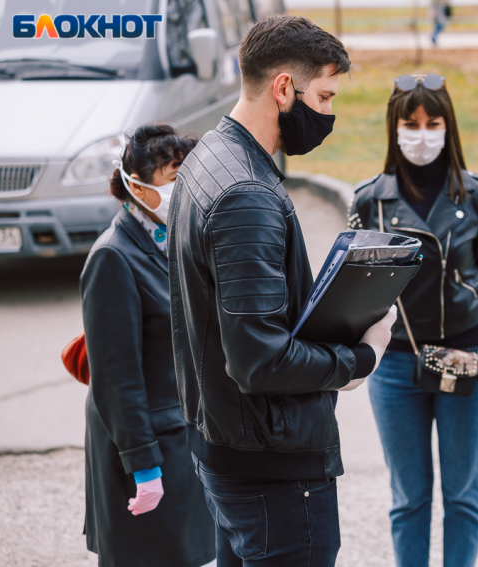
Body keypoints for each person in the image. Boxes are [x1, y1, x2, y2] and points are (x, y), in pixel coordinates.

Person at [168, 15, 396, 566]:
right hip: (270, 467)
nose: (328, 113)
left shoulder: (205, 158)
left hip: (224, 444)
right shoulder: (246, 192)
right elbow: (259, 360)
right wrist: (359, 358)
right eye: (324, 95)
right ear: (283, 88)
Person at [348, 73, 478, 567]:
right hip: (394, 367)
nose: (421, 134)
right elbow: (356, 288)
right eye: (410, 123)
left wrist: (462, 325)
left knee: (463, 495)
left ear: (447, 126)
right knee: (408, 499)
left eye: (432, 122)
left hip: (468, 357)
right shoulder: (368, 201)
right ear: (393, 128)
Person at [80, 124, 215, 567]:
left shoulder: (174, 239)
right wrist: (143, 465)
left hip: (181, 437)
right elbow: (116, 379)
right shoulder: (113, 257)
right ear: (135, 184)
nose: (183, 187)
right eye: (172, 175)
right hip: (143, 446)